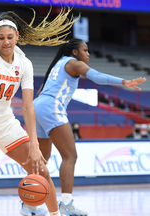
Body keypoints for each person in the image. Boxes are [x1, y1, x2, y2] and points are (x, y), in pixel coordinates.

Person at [0, 9, 78, 216]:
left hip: (5, 121)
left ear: (17, 37)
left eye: (10, 38)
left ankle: (55, 214)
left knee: (40, 169)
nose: (6, 42)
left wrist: (34, 145)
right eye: (1, 38)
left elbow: (28, 107)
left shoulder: (25, 64)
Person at [33, 38, 146, 216]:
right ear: (75, 52)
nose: (88, 54)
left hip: (38, 106)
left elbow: (40, 92)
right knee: (70, 156)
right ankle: (67, 203)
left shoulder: (58, 64)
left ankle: (30, 204)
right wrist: (125, 82)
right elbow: (98, 77)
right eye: (85, 50)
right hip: (51, 106)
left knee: (42, 160)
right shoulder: (74, 64)